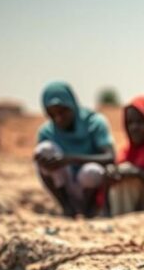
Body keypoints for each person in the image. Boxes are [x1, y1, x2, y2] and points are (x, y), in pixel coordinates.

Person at [34, 81, 114, 217]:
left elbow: (109, 157)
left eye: (63, 111)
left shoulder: (95, 122)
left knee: (91, 171)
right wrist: (44, 163)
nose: (58, 118)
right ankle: (66, 207)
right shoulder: (46, 132)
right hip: (65, 185)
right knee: (44, 150)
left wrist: (69, 159)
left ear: (72, 105)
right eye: (53, 115)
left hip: (90, 186)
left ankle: (87, 210)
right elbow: (42, 165)